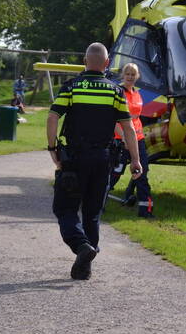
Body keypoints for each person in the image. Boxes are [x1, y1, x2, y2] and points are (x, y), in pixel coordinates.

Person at [46, 43, 141, 280]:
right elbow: (128, 128)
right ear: (107, 63)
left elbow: (52, 116)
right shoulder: (116, 92)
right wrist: (135, 160)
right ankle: (85, 267)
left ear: (85, 62)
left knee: (65, 208)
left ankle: (81, 247)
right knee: (92, 213)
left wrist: (53, 148)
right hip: (102, 159)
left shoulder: (72, 87)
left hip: (74, 159)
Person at [112, 62, 154, 217]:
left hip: (138, 138)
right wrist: (122, 137)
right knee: (115, 172)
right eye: (127, 74)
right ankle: (96, 204)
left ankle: (145, 210)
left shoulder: (138, 94)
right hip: (120, 139)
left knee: (141, 172)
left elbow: (136, 117)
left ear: (137, 76)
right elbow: (112, 118)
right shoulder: (118, 92)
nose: (130, 77)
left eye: (133, 74)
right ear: (123, 75)